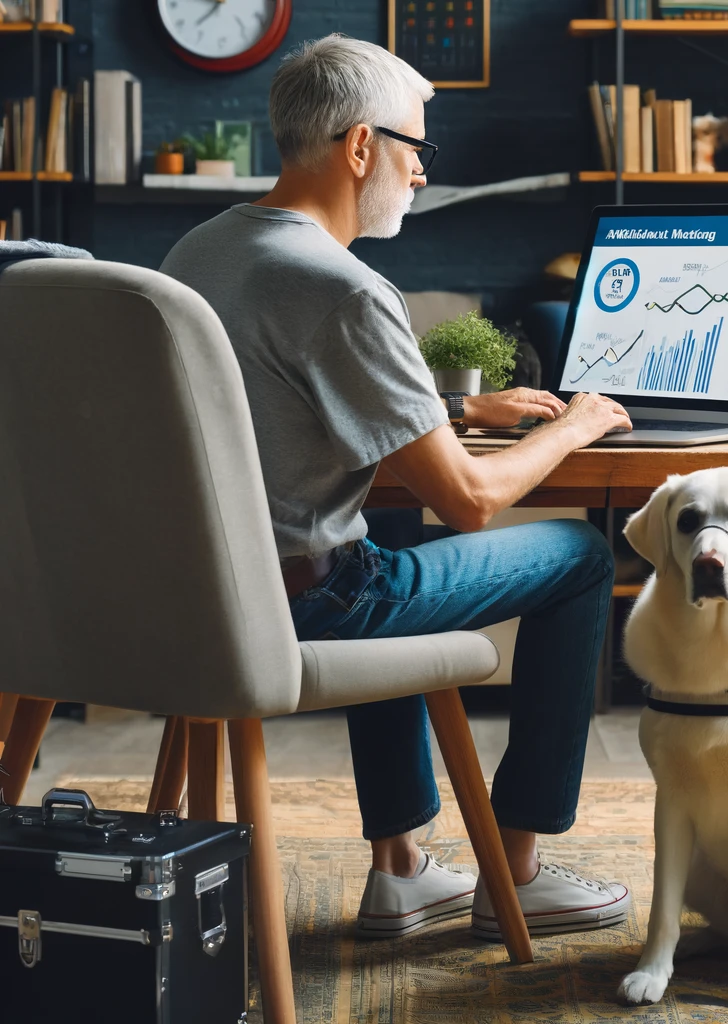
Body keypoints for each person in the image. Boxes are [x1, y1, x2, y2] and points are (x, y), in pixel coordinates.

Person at [160, 34, 633, 941]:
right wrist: (576, 426)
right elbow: (472, 502)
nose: (420, 173)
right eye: (416, 149)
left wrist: (451, 407)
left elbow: (275, 420)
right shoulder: (343, 286)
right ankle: (517, 872)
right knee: (577, 554)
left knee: (392, 553)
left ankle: (404, 867)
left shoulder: (201, 251)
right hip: (305, 605)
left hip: (197, 597)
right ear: (361, 147)